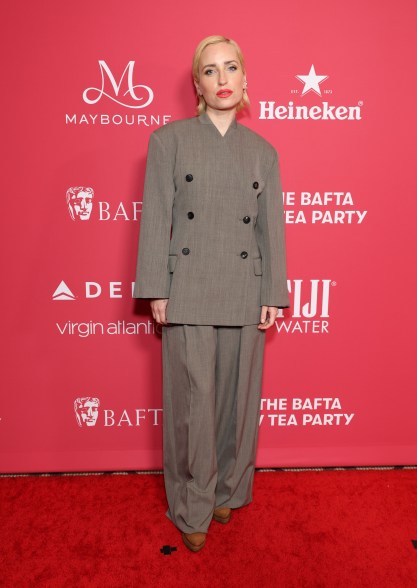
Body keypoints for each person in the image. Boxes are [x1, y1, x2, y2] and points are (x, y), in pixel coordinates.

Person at [133, 35, 289, 552]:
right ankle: (191, 502)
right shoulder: (169, 140)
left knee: (236, 401)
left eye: (230, 69)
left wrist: (274, 289)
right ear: (197, 84)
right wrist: (157, 284)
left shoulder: (263, 152)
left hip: (244, 288)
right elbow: (156, 215)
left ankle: (227, 489)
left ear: (244, 78)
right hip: (190, 285)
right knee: (192, 404)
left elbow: (271, 230)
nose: (222, 80)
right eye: (209, 71)